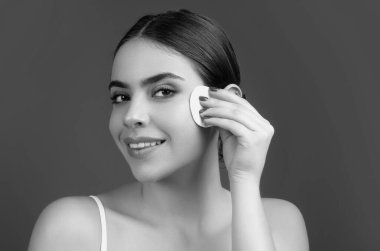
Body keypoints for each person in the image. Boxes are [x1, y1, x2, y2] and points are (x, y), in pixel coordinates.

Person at [28, 9, 309, 251]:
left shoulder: (280, 223)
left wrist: (245, 178)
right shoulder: (72, 230)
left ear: (226, 102)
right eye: (121, 97)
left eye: (163, 91)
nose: (132, 116)